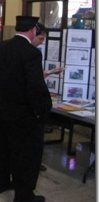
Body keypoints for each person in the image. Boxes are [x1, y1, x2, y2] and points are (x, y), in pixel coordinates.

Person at [0, 16, 52, 202]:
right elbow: (35, 87)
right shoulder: (31, 53)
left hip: (1, 110)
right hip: (24, 114)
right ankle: (23, 194)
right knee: (26, 154)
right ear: (33, 30)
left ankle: (1, 183)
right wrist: (42, 110)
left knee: (3, 148)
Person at [32, 22, 65, 172]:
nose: (42, 42)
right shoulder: (32, 54)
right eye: (41, 38)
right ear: (32, 33)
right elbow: (34, 78)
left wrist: (51, 72)